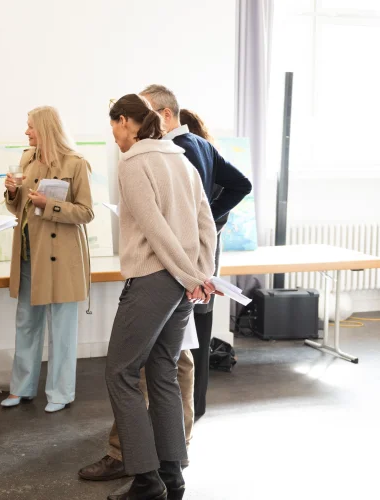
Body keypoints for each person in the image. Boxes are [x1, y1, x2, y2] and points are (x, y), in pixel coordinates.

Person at [78, 107, 225, 484]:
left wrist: (192, 276)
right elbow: (206, 223)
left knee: (120, 373)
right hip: (181, 285)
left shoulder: (132, 162)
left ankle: (145, 479)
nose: (113, 133)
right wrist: (201, 274)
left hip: (153, 280)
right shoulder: (183, 162)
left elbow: (155, 229)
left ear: (126, 121)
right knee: (162, 372)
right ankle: (171, 475)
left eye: (112, 124)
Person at [141, 85, 252, 418]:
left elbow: (233, 188)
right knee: (194, 336)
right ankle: (193, 410)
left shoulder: (176, 150)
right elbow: (240, 184)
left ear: (164, 114)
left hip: (183, 261)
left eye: (144, 114)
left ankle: (179, 420)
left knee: (177, 346)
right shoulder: (201, 144)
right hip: (200, 257)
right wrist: (210, 217)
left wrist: (205, 218)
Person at [0, 106, 94, 413]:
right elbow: (20, 210)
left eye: (31, 127)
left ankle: (60, 393)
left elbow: (86, 212)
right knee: (26, 322)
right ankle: (21, 388)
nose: (27, 132)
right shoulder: (28, 159)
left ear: (46, 129)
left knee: (62, 328)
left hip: (62, 257)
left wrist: (50, 204)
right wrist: (13, 193)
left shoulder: (76, 163)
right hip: (29, 254)